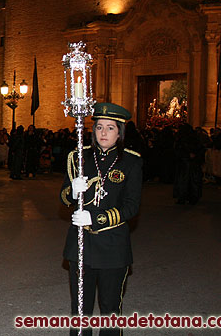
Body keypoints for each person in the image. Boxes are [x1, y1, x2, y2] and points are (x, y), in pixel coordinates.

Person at [60, 103, 142, 336]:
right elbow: (64, 196)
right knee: (80, 310)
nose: (104, 133)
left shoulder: (131, 162)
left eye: (110, 128)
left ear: (120, 132)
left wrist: (96, 218)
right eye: (99, 127)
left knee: (110, 309)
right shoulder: (79, 156)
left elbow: (131, 207)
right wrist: (73, 192)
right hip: (81, 245)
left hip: (113, 245)